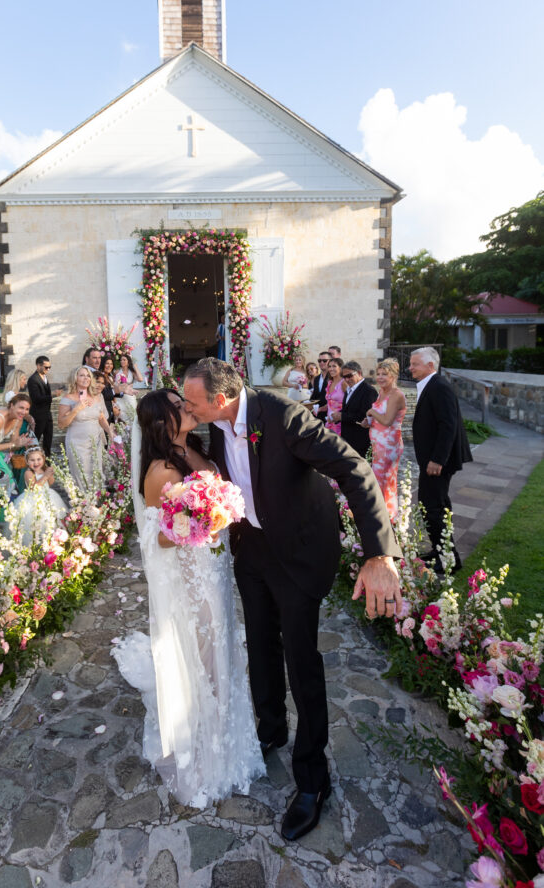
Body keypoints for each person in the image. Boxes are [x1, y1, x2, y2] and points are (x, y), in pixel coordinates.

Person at [182, 358, 402, 841]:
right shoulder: (216, 423)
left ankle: (312, 780)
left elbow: (355, 468)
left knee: (302, 661)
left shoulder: (284, 417)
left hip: (300, 553)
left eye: (192, 401)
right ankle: (271, 728)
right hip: (253, 550)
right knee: (261, 645)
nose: (187, 407)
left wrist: (378, 554)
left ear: (220, 400)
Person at [112, 389, 265, 807]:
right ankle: (204, 757)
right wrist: (204, 517)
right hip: (192, 578)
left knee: (223, 656)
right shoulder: (160, 471)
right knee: (205, 660)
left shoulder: (197, 447)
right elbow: (156, 537)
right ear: (163, 421)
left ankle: (229, 741)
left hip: (215, 571)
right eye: (180, 406)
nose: (188, 408)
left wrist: (216, 508)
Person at [409, 347, 472, 573]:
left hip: (437, 462)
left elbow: (448, 425)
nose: (410, 367)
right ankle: (440, 550)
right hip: (432, 460)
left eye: (415, 363)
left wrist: (437, 459)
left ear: (430, 366)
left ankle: (449, 560)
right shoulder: (432, 385)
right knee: (436, 505)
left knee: (432, 506)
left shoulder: (439, 386)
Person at [58, 366, 112, 493]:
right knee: (82, 474)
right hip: (77, 443)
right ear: (75, 378)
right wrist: (76, 409)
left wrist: (110, 432)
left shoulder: (96, 397)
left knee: (96, 472)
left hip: (95, 442)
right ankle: (83, 506)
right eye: (82, 375)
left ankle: (97, 504)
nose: (86, 378)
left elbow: (101, 417)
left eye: (88, 375)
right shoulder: (68, 398)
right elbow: (61, 424)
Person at [365, 358, 407, 522]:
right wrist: (367, 421)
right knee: (379, 480)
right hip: (378, 445)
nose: (380, 377)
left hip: (389, 445)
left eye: (385, 374)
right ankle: (380, 516)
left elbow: (388, 420)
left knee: (385, 481)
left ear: (394, 376)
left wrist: (371, 412)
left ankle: (388, 518)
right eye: (379, 374)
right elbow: (380, 417)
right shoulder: (382, 392)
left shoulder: (396, 395)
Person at [11, 446, 67, 545]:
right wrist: (45, 476)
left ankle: (53, 541)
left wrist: (50, 475)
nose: (36, 463)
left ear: (43, 459)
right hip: (32, 499)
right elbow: (34, 488)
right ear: (27, 462)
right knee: (33, 522)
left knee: (51, 519)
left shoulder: (44, 470)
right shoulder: (28, 473)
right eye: (32, 460)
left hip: (48, 496)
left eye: (38, 459)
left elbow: (50, 483)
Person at [339, 361, 377, 458]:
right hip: (348, 438)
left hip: (360, 441)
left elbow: (365, 417)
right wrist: (338, 415)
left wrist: (342, 416)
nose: (347, 379)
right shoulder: (349, 389)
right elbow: (348, 410)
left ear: (359, 373)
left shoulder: (369, 391)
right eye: (344, 377)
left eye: (349, 376)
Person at [27, 356, 61, 458]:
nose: (48, 369)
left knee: (48, 439)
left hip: (47, 414)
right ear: (38, 366)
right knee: (35, 439)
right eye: (46, 367)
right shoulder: (33, 379)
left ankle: (47, 460)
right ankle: (32, 459)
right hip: (37, 415)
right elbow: (36, 398)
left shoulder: (45, 377)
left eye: (49, 367)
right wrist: (53, 395)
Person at [114, 353, 144, 420]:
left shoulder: (132, 372)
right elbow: (114, 385)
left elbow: (140, 379)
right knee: (121, 417)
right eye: (121, 360)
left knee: (132, 415)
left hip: (130, 397)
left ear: (128, 362)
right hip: (120, 397)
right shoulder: (117, 372)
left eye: (124, 360)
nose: (122, 361)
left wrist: (135, 367)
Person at [306, 351, 331, 421]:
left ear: (330, 361)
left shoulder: (333, 377)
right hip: (317, 414)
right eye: (319, 361)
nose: (321, 363)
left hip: (330, 414)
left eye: (324, 360)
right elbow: (315, 396)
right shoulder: (316, 379)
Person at [324, 357, 345, 434]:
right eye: (329, 366)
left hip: (340, 423)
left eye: (334, 366)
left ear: (340, 368)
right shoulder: (329, 383)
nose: (331, 369)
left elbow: (350, 403)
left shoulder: (344, 383)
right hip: (329, 422)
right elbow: (329, 403)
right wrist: (320, 409)